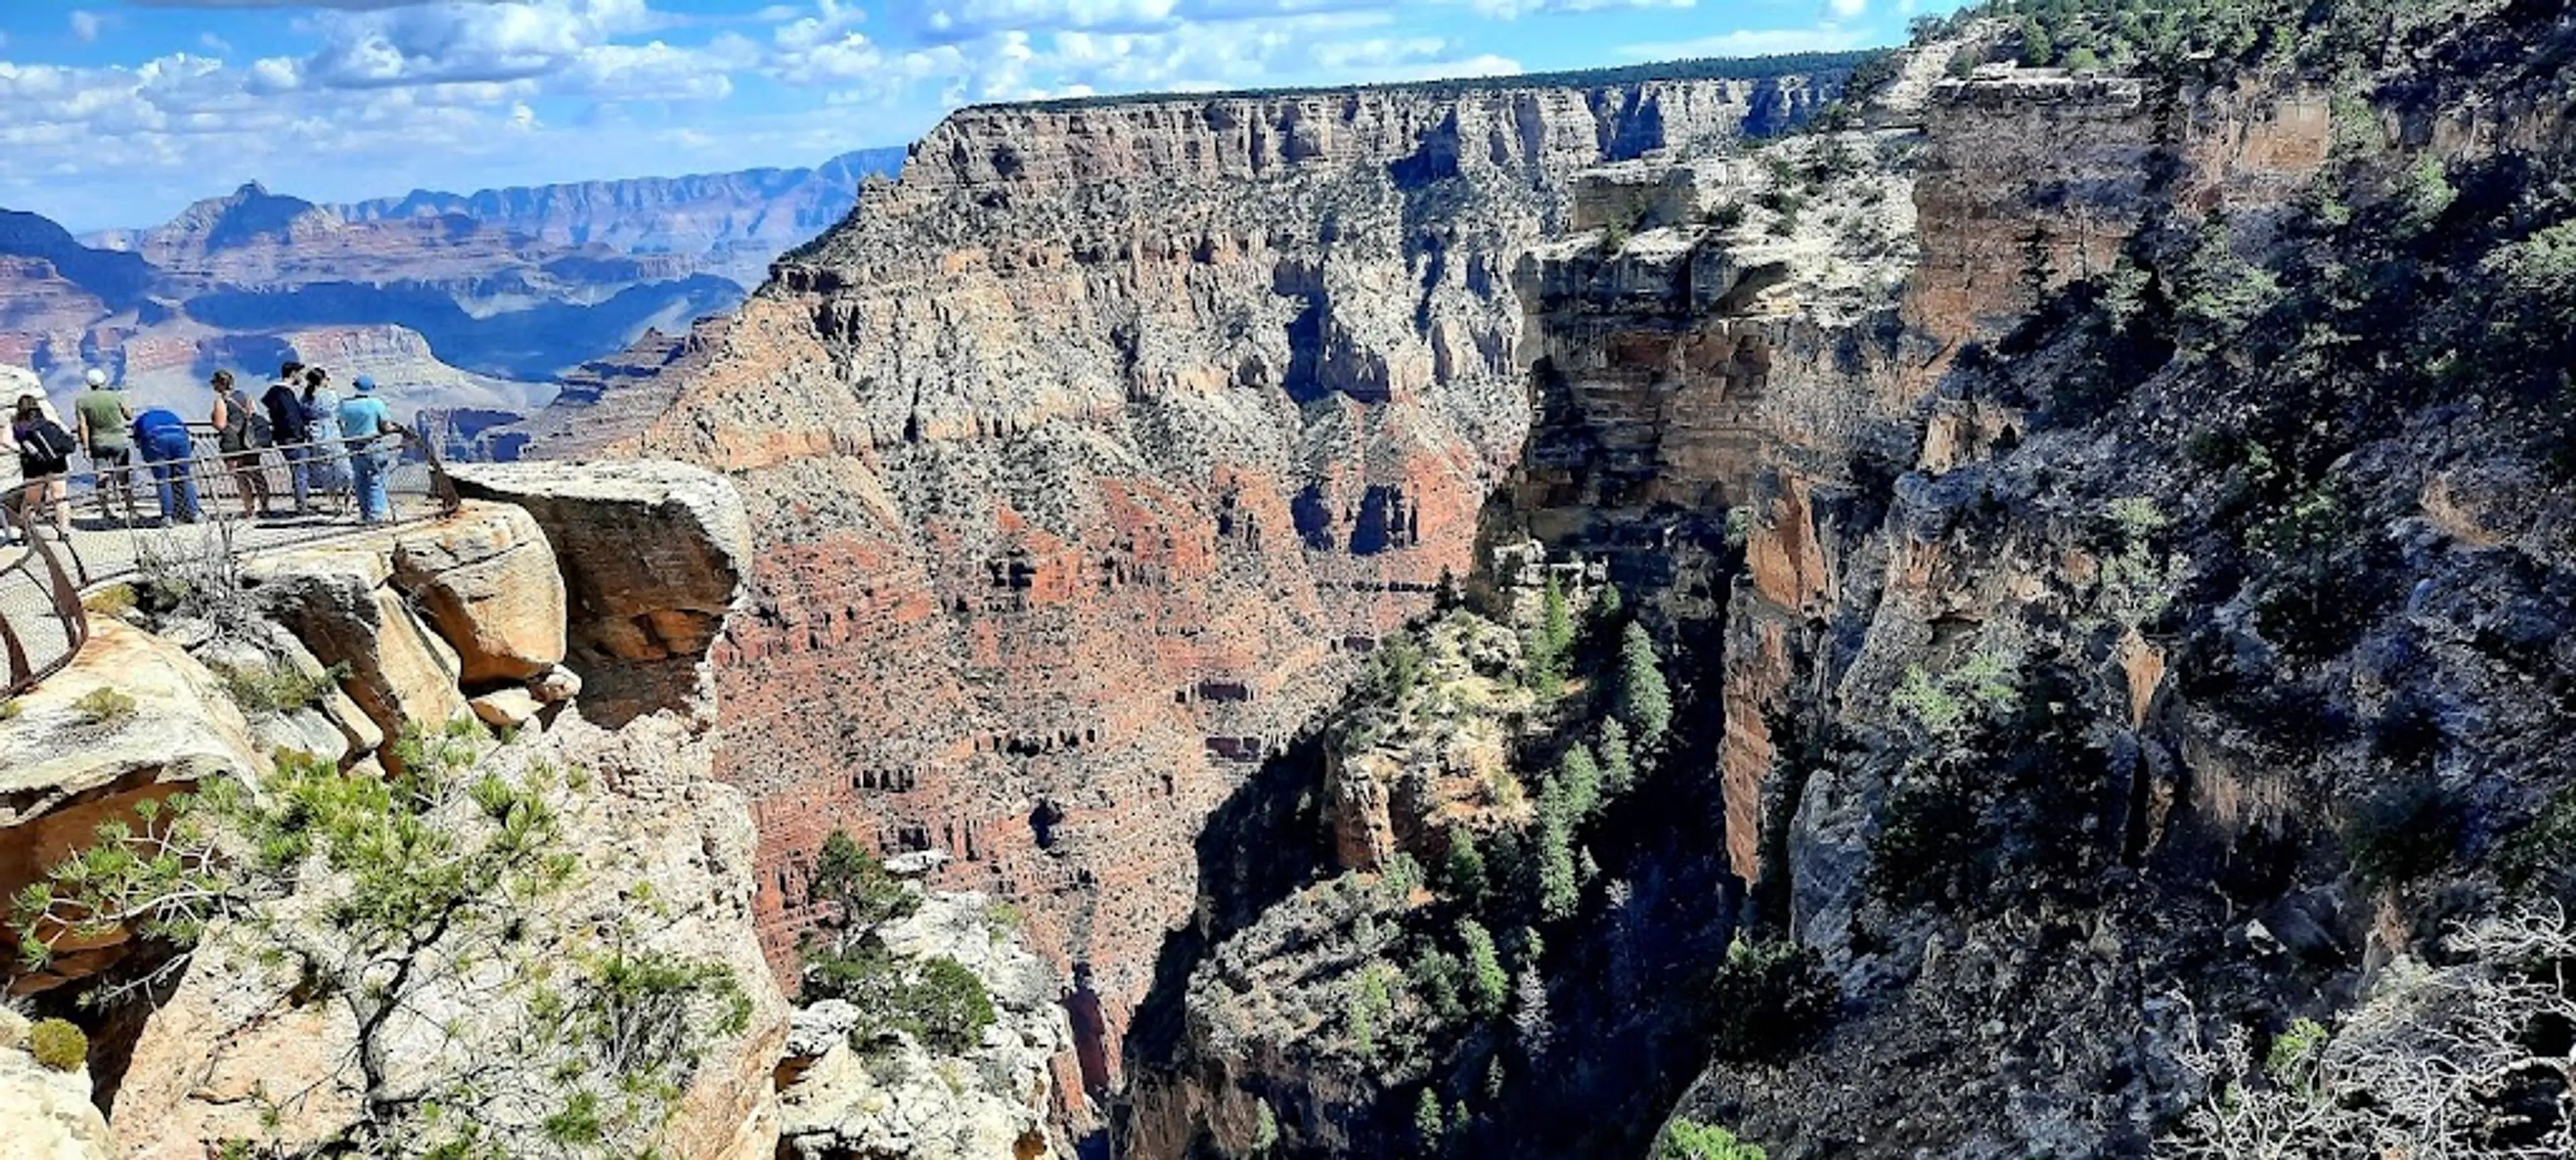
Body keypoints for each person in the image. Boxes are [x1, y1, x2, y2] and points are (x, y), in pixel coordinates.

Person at [72, 367, 136, 524]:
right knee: (124, 478)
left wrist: (86, 447)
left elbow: (83, 426)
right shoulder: (115, 396)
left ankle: (106, 511)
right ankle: (131, 509)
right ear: (104, 380)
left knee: (101, 478)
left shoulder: (82, 401)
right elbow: (129, 416)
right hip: (119, 441)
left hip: (98, 443)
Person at [7, 394, 76, 539]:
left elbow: (5, 441)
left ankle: (27, 531)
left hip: (33, 464)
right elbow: (66, 434)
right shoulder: (46, 420)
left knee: (31, 500)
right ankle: (64, 532)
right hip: (57, 462)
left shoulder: (17, 425)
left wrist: (23, 449)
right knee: (60, 497)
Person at [338, 375, 403, 523]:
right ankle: (376, 515)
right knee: (377, 479)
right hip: (373, 445)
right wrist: (396, 429)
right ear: (372, 388)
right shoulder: (376, 404)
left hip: (353, 447)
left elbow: (340, 422)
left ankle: (365, 514)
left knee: (360, 481)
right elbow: (386, 427)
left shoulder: (345, 404)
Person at [209, 369, 272, 519]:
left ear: (219, 385)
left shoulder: (221, 402)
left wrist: (213, 420)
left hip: (234, 443)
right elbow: (253, 414)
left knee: (241, 477)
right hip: (250, 441)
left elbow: (221, 424)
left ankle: (250, 510)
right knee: (257, 475)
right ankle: (265, 506)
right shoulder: (246, 396)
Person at [131, 403, 199, 525]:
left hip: (155, 439)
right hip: (180, 438)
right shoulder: (171, 415)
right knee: (184, 477)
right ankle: (194, 513)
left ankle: (168, 516)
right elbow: (187, 435)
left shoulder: (140, 420)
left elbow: (138, 442)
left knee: (163, 480)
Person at [262, 360, 313, 515]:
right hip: (293, 438)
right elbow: (291, 418)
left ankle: (301, 503)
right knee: (301, 472)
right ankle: (302, 506)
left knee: (297, 470)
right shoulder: (285, 393)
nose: (302, 378)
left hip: (282, 437)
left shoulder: (274, 392)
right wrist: (300, 435)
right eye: (300, 374)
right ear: (293, 374)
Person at [303, 366, 350, 508]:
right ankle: (348, 501)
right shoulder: (332, 395)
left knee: (325, 471)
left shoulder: (306, 397)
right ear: (323, 379)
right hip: (334, 435)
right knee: (344, 468)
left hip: (316, 437)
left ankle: (335, 504)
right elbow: (340, 414)